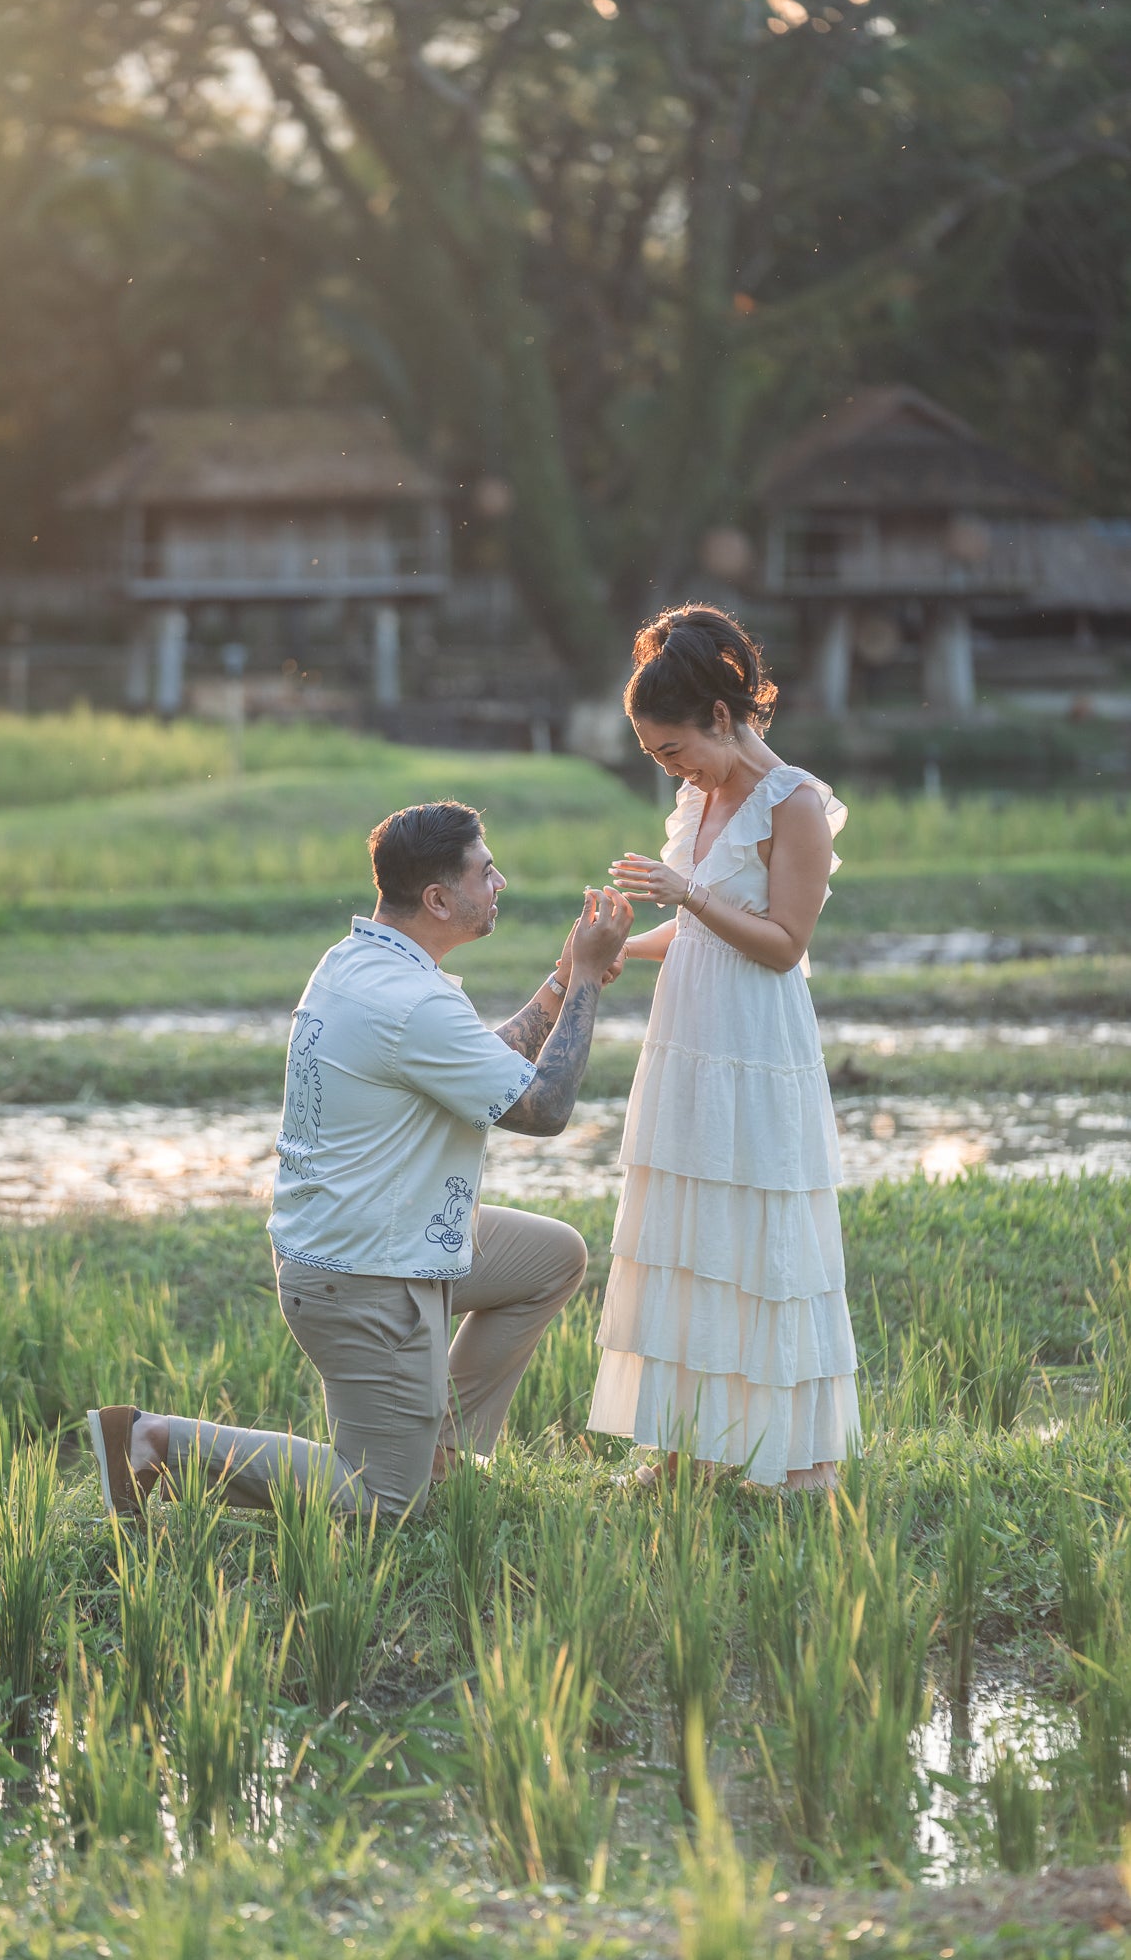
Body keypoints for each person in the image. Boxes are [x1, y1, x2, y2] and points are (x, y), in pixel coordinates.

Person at [88, 801, 632, 1521]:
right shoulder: (411, 1003)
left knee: (551, 1257)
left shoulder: (361, 961)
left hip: (385, 1239)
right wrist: (591, 980)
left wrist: (561, 982)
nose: (500, 881)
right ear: (438, 898)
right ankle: (157, 1439)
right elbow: (544, 1109)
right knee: (383, 1502)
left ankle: (441, 1454)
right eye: (485, 870)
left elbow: (480, 1061)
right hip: (365, 1277)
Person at [589, 606, 860, 1490]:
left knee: (763, 1226)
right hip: (687, 1038)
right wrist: (620, 946)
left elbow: (781, 942)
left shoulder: (796, 804)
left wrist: (684, 895)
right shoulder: (698, 800)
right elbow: (700, 933)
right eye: (656, 758)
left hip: (755, 1038)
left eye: (672, 750)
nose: (671, 770)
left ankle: (799, 1457)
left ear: (718, 715)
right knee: (684, 1228)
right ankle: (681, 1447)